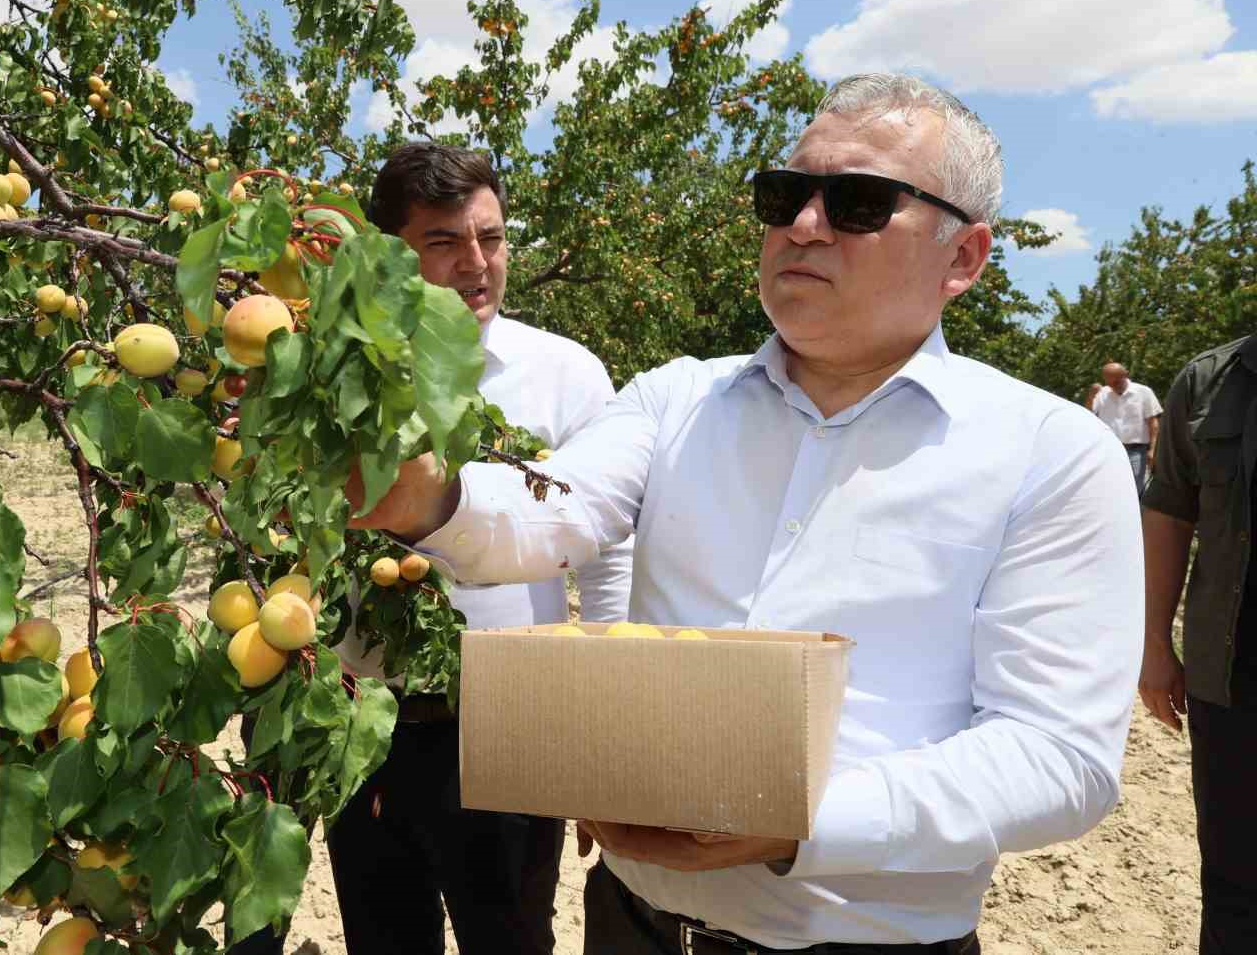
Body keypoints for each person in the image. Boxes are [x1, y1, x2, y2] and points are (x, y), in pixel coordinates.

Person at [350, 74, 1143, 955]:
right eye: (785, 195)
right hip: (633, 925)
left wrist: (796, 823)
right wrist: (431, 497)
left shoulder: (1052, 455)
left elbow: (1058, 757)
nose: (804, 225)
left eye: (858, 204)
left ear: (964, 258)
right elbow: (553, 512)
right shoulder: (675, 398)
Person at [326, 143, 632, 955]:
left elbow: (609, 560)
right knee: (384, 939)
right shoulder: (331, 373)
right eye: (443, 242)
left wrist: (603, 742)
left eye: (490, 238)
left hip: (510, 719)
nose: (477, 265)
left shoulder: (563, 375)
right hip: (363, 721)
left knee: (511, 937)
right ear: (388, 252)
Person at [1139, 336, 1257, 954]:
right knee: (1235, 879)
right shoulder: (1210, 379)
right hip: (1232, 675)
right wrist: (1154, 642)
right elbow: (1168, 510)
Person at [1090, 361, 1163, 495]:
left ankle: (1136, 514)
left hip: (1136, 450)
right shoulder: (1103, 393)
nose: (1113, 386)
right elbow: (1089, 415)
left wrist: (1153, 449)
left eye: (1116, 382)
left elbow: (1153, 422)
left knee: (1134, 487)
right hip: (1109, 449)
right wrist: (1091, 396)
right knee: (1110, 485)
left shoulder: (1143, 392)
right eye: (1110, 383)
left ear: (1125, 375)